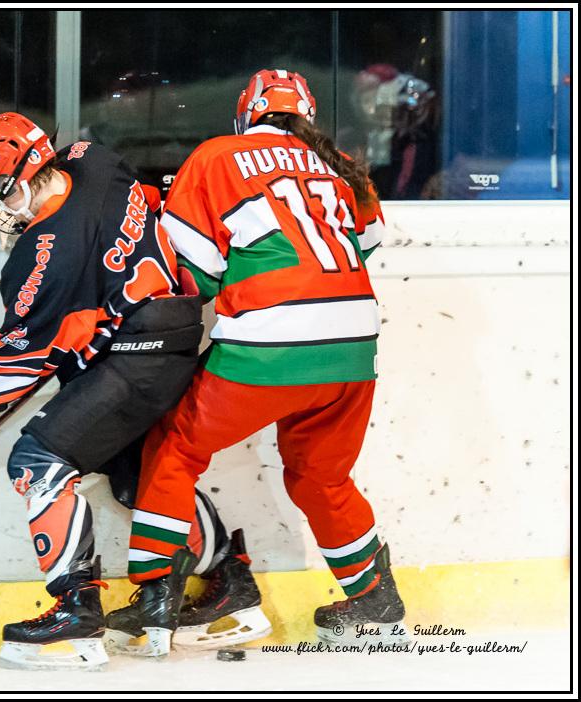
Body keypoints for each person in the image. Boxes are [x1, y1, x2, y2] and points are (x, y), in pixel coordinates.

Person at [0, 112, 269, 669]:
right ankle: (230, 584)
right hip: (176, 335)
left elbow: (18, 358)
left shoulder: (41, 258)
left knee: (38, 460)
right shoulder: (94, 159)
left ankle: (75, 616)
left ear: (17, 179)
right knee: (141, 478)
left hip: (135, 358)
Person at [106, 69, 405, 652]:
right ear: (307, 116)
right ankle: (374, 594)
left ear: (246, 114)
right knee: (322, 476)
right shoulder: (343, 163)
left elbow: (190, 273)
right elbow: (363, 246)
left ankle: (155, 597)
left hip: (269, 346)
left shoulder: (219, 155)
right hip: (353, 348)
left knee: (174, 445)